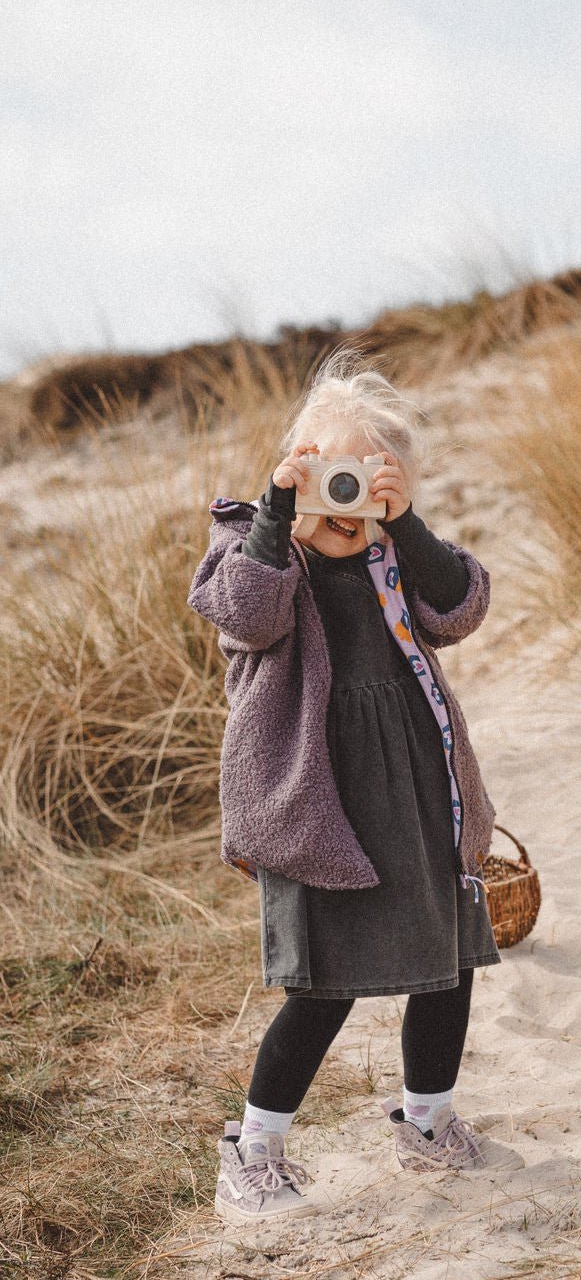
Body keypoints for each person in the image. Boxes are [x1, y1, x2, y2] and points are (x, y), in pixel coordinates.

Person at [189, 353, 513, 1223]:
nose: (344, 501)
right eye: (327, 471)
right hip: (317, 801)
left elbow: (460, 607)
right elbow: (248, 615)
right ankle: (252, 1148)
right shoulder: (251, 544)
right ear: (293, 465)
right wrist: (276, 515)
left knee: (447, 964)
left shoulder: (394, 555)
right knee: (323, 982)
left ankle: (428, 1120)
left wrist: (403, 526)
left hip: (415, 791)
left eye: (364, 482)